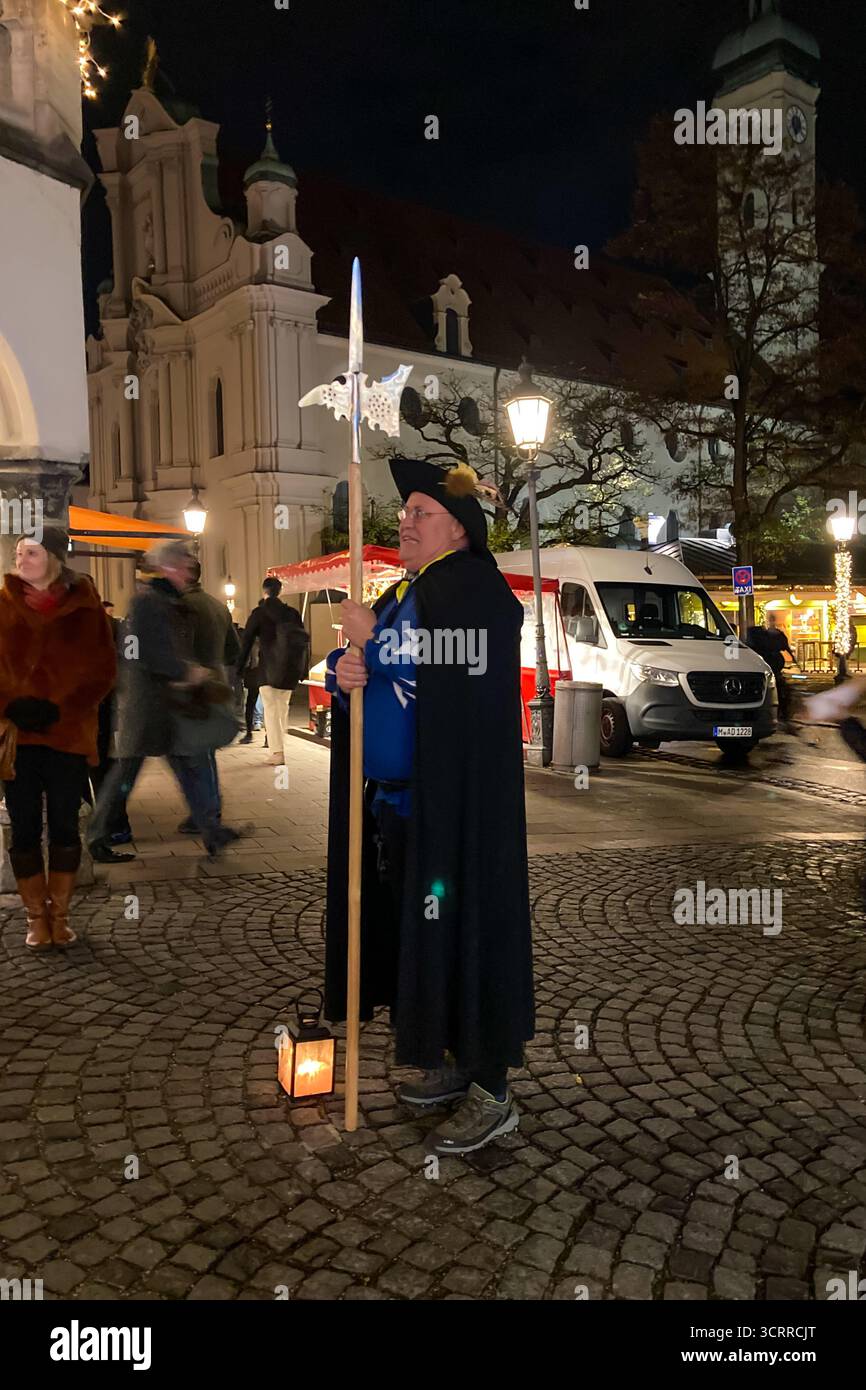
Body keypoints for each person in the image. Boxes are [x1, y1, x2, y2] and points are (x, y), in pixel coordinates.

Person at [324, 457, 534, 1156]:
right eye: (406, 512)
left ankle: (491, 1090)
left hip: (457, 816)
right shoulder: (408, 589)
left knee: (465, 927)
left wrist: (373, 644)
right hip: (402, 810)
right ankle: (447, 1060)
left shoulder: (475, 591)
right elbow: (370, 667)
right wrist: (344, 668)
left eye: (419, 513)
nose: (404, 522)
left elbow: (456, 657)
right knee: (426, 938)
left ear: (459, 530)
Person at [86, 540, 240, 862]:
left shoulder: (167, 600)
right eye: (184, 564)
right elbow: (148, 653)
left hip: (168, 707)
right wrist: (187, 671)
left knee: (188, 769)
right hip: (147, 709)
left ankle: (213, 832)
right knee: (123, 777)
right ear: (170, 567)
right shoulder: (148, 602)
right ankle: (96, 836)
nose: (189, 570)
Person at [0, 528, 117, 948]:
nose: (21, 560)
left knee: (65, 826)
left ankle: (60, 915)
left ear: (53, 557)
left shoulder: (86, 607)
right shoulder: (2, 605)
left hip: (68, 734)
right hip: (19, 739)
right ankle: (36, 918)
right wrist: (11, 704)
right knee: (25, 827)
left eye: (30, 552)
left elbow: (103, 671)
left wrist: (61, 708)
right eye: (18, 553)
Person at [176, 560, 240, 834]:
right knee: (205, 753)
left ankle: (206, 814)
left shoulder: (182, 607)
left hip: (192, 689)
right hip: (217, 685)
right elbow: (233, 651)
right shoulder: (217, 606)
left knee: (194, 756)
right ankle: (208, 809)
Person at [237, 577, 309, 765]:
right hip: (290, 670)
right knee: (282, 708)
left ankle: (277, 753)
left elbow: (246, 643)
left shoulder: (259, 613)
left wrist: (238, 668)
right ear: (280, 591)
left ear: (264, 591)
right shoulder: (293, 613)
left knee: (270, 709)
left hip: (268, 668)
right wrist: (304, 669)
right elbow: (304, 642)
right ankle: (280, 746)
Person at [747, 611, 795, 724]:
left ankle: (782, 712)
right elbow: (786, 648)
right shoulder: (769, 635)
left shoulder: (769, 635)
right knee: (778, 687)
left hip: (772, 664)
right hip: (771, 665)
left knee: (780, 687)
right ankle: (782, 712)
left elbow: (785, 648)